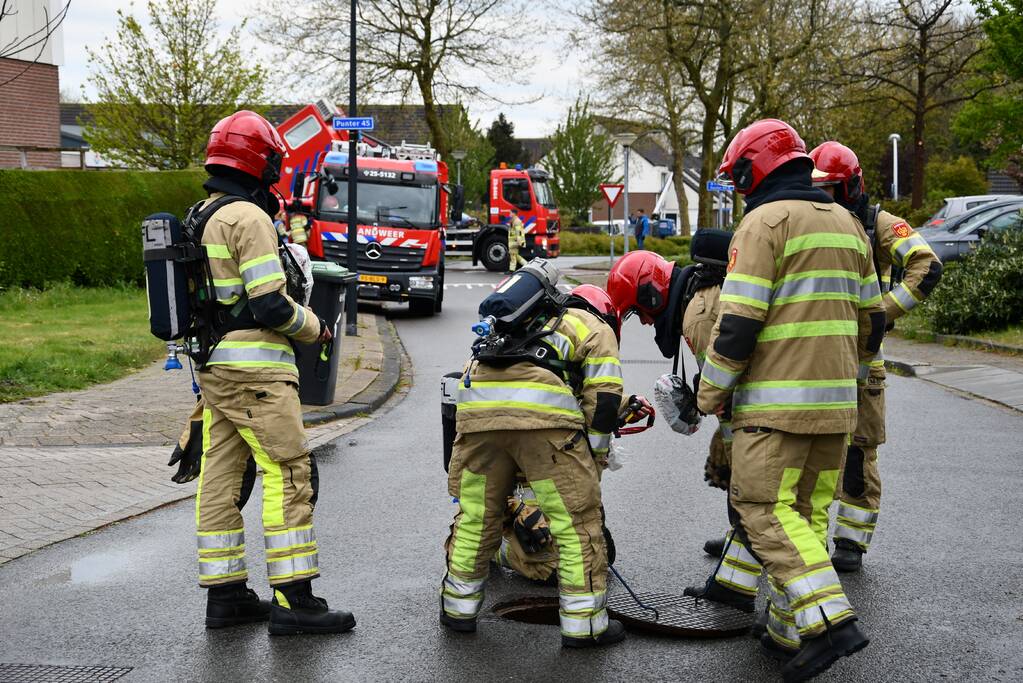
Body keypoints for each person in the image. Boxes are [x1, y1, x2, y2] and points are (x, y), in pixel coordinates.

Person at [695, 119, 885, 679]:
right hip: (837, 409)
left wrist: (709, 395)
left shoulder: (763, 223)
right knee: (801, 516)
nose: (741, 189)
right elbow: (871, 322)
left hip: (775, 411)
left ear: (756, 170)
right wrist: (854, 380)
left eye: (741, 178)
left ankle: (832, 624)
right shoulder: (851, 226)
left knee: (761, 510)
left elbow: (737, 324)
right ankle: (787, 632)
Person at [192, 110, 354, 635]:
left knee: (219, 477)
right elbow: (270, 306)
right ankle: (295, 602)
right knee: (288, 472)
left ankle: (227, 596)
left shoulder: (201, 214)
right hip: (256, 372)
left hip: (217, 368)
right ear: (260, 162)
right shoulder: (248, 218)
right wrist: (317, 329)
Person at [440, 278, 629, 648]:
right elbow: (605, 399)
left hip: (477, 417)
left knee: (476, 517)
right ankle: (585, 626)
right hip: (543, 421)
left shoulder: (514, 324)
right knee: (576, 524)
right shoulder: (593, 327)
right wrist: (594, 453)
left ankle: (457, 610)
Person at [809, 141, 942, 572]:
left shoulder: (878, 224)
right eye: (819, 188)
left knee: (857, 454)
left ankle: (851, 542)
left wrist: (883, 312)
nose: (824, 196)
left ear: (850, 186)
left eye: (831, 188)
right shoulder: (810, 222)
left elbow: (927, 265)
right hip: (816, 360)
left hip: (864, 365)